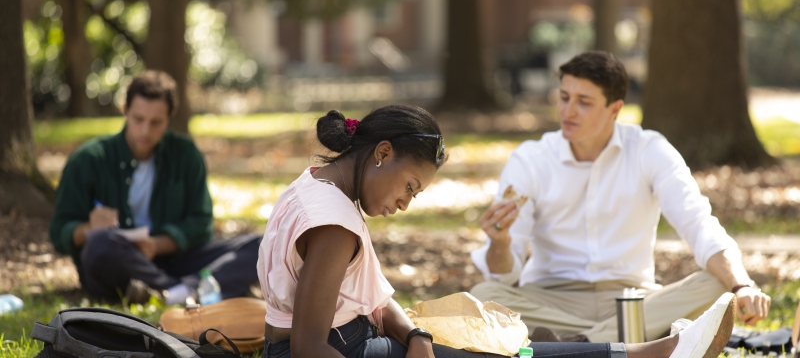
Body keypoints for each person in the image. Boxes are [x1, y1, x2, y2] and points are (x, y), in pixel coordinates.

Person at [256, 105, 735, 358]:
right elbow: (307, 347)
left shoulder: (316, 185)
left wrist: (418, 335)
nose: (404, 203)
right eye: (409, 186)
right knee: (505, 356)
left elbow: (376, 304)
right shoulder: (335, 225)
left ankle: (650, 351)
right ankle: (652, 353)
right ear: (381, 153)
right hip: (349, 349)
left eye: (414, 194)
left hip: (361, 338)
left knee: (497, 344)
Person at [469, 51, 772, 343]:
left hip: (634, 299)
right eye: (564, 97)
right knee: (483, 296)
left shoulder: (648, 149)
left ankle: (579, 344)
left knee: (720, 286)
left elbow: (698, 223)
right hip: (551, 300)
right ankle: (624, 339)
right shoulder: (530, 159)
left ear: (614, 109)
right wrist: (500, 244)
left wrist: (742, 285)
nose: (568, 111)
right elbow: (503, 277)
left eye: (583, 102)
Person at [49, 70, 260, 305]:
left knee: (260, 245)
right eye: (138, 119)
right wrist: (88, 227)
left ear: (169, 119)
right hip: (118, 261)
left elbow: (201, 224)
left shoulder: (185, 154)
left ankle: (174, 291)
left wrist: (156, 246)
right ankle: (189, 290)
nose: (145, 131)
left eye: (156, 123)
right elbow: (59, 232)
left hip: (173, 259)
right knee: (99, 245)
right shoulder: (88, 160)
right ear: (125, 111)